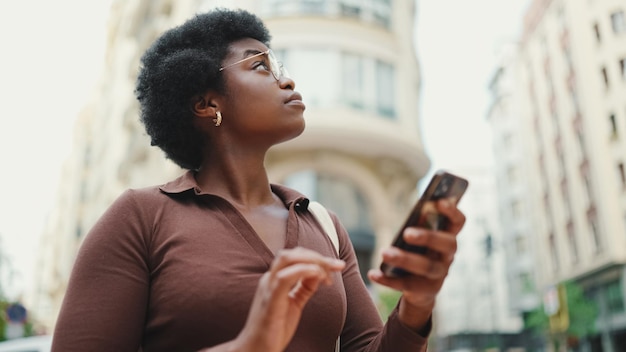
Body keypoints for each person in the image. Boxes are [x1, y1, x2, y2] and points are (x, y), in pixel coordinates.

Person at [51, 8, 465, 352]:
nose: (287, 80)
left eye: (279, 66)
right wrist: (247, 345)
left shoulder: (322, 223)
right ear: (206, 103)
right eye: (259, 65)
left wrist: (418, 302)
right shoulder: (140, 217)